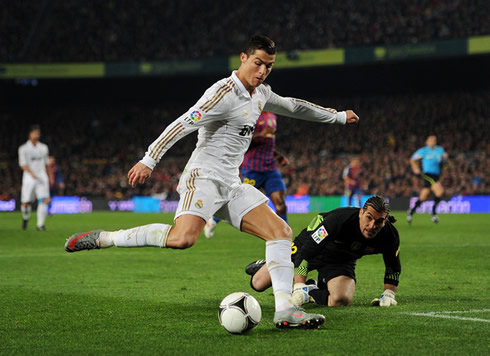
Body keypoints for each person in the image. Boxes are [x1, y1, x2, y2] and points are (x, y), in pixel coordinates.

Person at [65, 35, 360, 329]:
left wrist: (336, 117)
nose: (262, 71)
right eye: (258, 63)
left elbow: (294, 106)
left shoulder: (261, 93)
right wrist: (149, 159)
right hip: (203, 177)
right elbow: (182, 123)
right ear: (243, 58)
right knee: (183, 239)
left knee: (281, 232)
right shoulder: (222, 93)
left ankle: (284, 311)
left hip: (232, 183)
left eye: (268, 66)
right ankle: (106, 238)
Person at [246, 195, 401, 308]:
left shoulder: (390, 236)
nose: (372, 225)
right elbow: (305, 254)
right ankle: (266, 264)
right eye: (369, 218)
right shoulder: (338, 220)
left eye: (379, 221)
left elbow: (393, 267)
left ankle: (312, 289)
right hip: (309, 246)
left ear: (385, 221)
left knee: (340, 299)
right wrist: (299, 287)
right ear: (361, 213)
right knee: (258, 283)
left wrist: (389, 294)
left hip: (340, 260)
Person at [204, 111, 289, 238]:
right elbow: (240, 141)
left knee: (281, 204)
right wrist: (261, 134)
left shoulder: (272, 116)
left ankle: (285, 238)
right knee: (239, 199)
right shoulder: (250, 114)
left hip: (271, 168)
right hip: (253, 168)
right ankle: (214, 219)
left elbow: (268, 143)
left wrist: (278, 156)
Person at [18, 125, 54, 231]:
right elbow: (22, 164)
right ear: (30, 134)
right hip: (29, 177)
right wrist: (31, 173)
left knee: (43, 200)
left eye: (38, 133)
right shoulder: (23, 148)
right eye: (35, 133)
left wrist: (50, 176)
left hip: (42, 177)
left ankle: (40, 225)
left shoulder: (43, 147)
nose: (37, 135)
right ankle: (26, 217)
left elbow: (47, 164)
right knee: (26, 203)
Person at [407, 135, 448, 224]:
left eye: (434, 140)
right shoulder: (423, 151)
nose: (432, 142)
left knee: (423, 197)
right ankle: (434, 214)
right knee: (439, 191)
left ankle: (411, 212)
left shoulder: (440, 150)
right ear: (427, 142)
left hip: (437, 175)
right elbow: (412, 159)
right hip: (427, 175)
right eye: (431, 140)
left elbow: (444, 162)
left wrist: (445, 159)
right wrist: (415, 168)